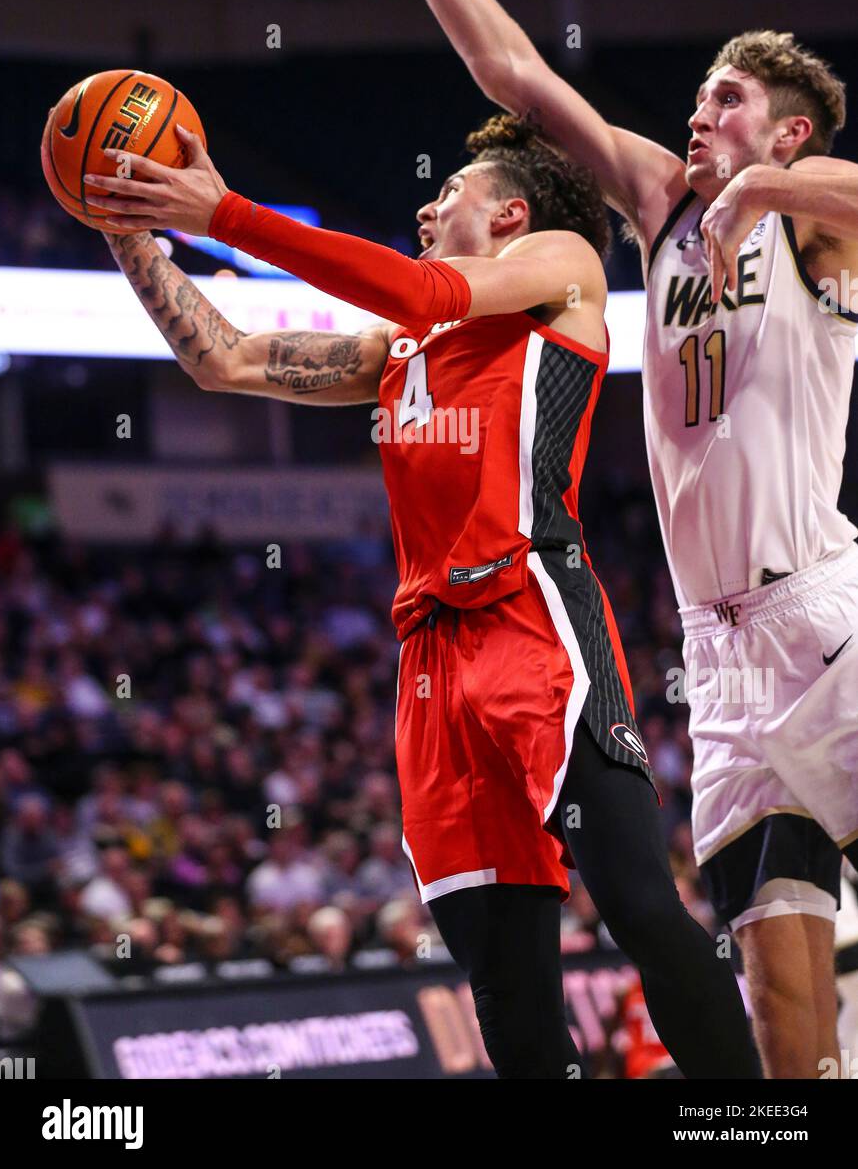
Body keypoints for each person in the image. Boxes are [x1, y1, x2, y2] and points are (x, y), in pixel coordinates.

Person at [280, 0, 858, 1078]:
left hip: (827, 609)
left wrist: (757, 181)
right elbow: (513, 73)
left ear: (791, 127)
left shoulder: (810, 217)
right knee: (775, 999)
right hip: (720, 659)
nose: (697, 115)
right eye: (701, 101)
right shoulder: (660, 206)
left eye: (724, 100)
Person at [79, 113, 758, 1079]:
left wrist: (223, 212)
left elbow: (419, 284)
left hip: (531, 611)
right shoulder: (401, 349)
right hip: (431, 664)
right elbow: (220, 359)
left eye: (451, 195)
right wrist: (130, 228)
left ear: (511, 214)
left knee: (638, 902)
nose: (425, 206)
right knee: (502, 977)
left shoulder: (560, 265)